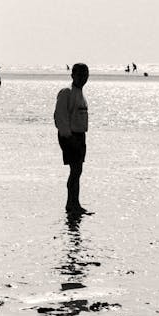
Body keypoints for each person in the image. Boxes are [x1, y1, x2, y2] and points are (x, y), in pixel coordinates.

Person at [54, 63, 90, 214]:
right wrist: (68, 137)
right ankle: (71, 204)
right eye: (80, 75)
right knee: (75, 171)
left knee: (78, 171)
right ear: (73, 75)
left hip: (80, 135)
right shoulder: (66, 92)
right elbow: (60, 116)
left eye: (85, 75)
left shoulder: (81, 94)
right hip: (69, 136)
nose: (83, 78)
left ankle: (75, 203)